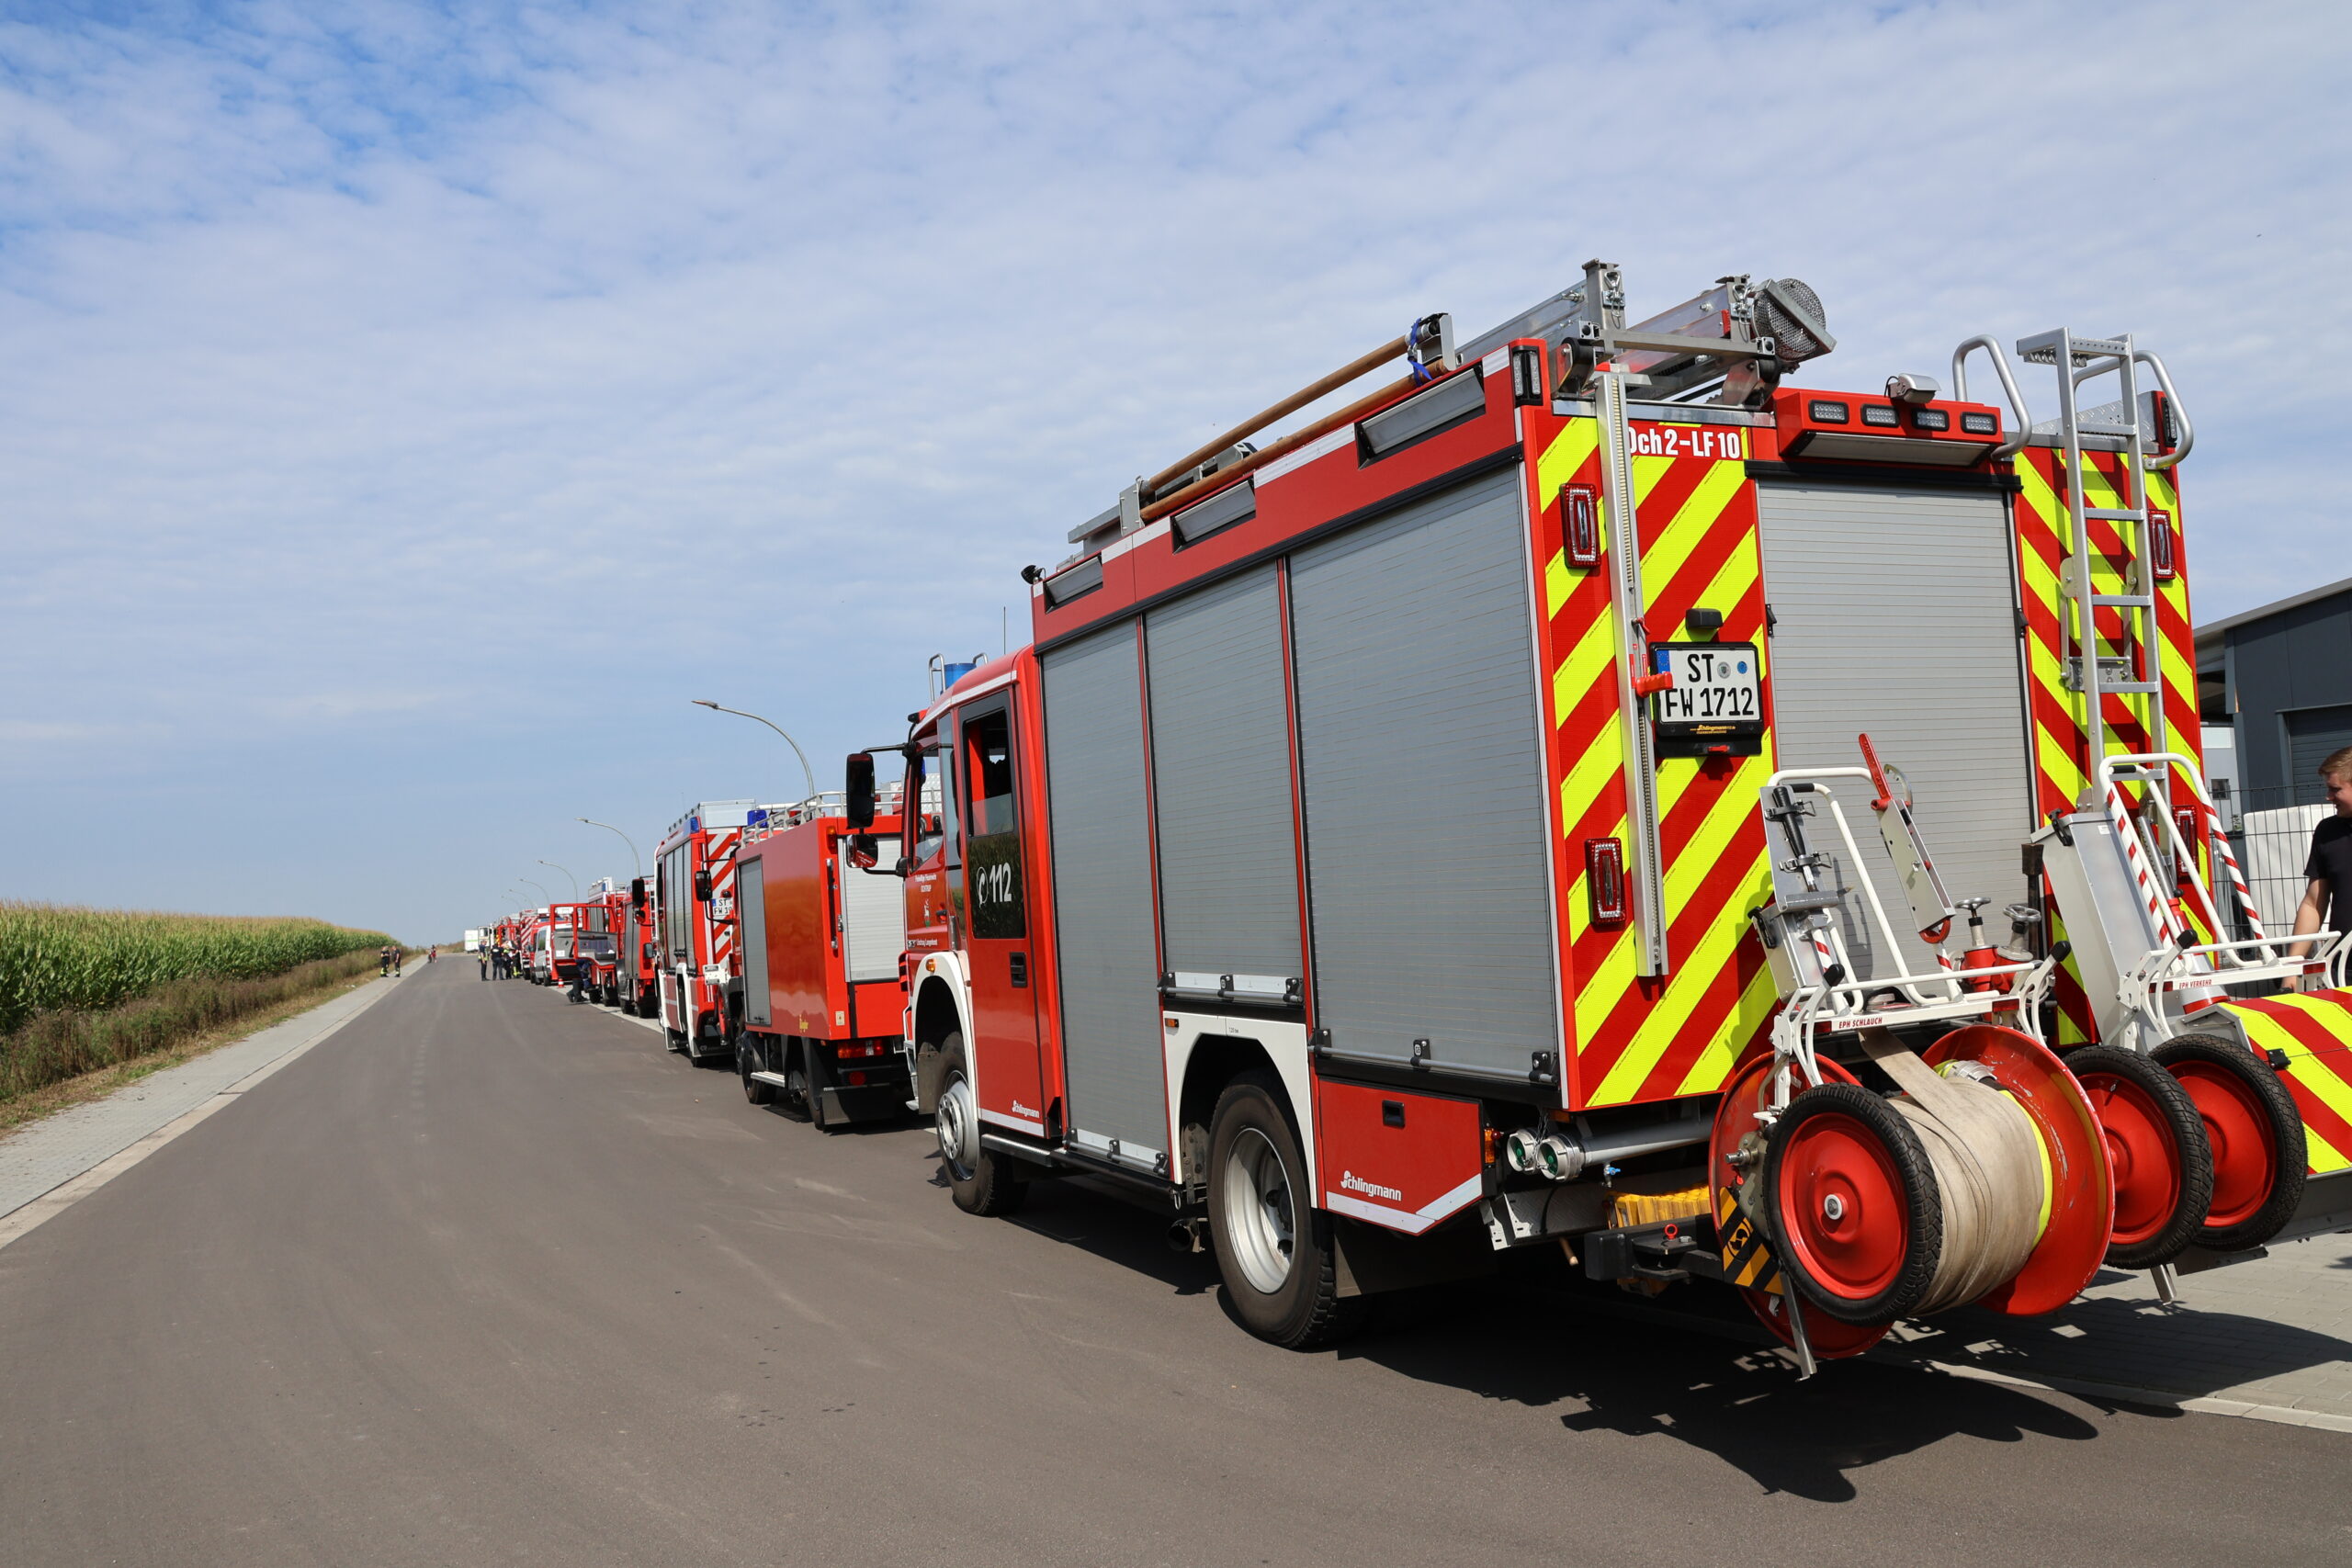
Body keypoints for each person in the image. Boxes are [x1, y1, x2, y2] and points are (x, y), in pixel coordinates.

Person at [2291, 746, 2352, 986]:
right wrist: (2292, 968)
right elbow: (2313, 903)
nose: (2328, 796)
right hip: (2343, 971)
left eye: (2335, 789)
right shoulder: (2327, 832)